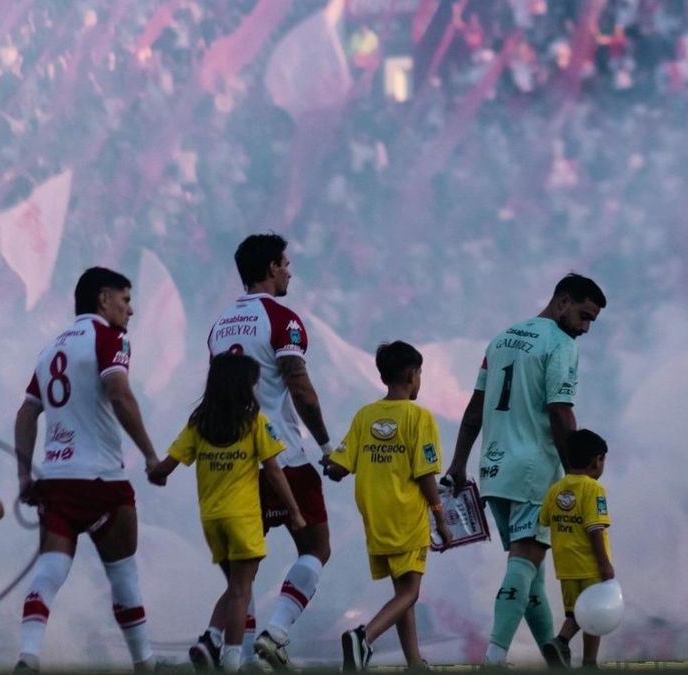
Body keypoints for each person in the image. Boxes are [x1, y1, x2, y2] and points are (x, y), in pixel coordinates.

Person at [444, 273, 607, 666]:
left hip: (493, 471)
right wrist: (575, 471)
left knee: (530, 573)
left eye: (591, 322)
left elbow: (475, 407)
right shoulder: (560, 344)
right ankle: (494, 658)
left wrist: (459, 462)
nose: (584, 328)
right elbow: (559, 410)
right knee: (524, 564)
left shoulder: (501, 339)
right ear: (562, 302)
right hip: (534, 469)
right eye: (583, 316)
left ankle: (553, 656)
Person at [13, 267, 161, 672]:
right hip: (102, 479)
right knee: (123, 573)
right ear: (103, 299)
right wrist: (149, 454)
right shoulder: (109, 337)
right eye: (126, 300)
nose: (131, 310)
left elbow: (27, 412)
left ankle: (28, 654)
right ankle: (145, 662)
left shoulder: (50, 349)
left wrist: (25, 475)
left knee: (51, 568)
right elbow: (119, 391)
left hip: (56, 480)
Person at [207, 233, 334, 669]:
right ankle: (276, 633)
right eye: (285, 263)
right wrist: (325, 443)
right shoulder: (282, 318)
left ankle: (229, 653)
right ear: (270, 269)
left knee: (244, 573)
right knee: (315, 546)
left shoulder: (220, 325)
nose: (290, 270)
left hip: (234, 462)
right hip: (283, 454)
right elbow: (299, 386)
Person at [148, 353, 306, 672]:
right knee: (241, 591)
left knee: (236, 585)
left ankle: (209, 638)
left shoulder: (199, 422)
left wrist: (155, 470)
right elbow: (274, 471)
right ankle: (231, 659)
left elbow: (167, 465)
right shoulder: (253, 422)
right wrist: (294, 511)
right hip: (243, 516)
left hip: (211, 519)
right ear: (245, 385)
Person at [322, 341, 453, 670]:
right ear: (412, 375)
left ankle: (414, 662)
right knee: (410, 592)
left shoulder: (365, 415)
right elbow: (425, 475)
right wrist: (441, 518)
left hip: (375, 517)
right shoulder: (419, 417)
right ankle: (363, 637)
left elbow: (338, 467)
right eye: (421, 373)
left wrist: (330, 466)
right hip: (406, 514)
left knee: (401, 593)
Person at [538, 429, 615, 669]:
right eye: (603, 460)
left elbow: (544, 520)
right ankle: (590, 663)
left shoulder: (556, 490)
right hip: (590, 566)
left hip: (566, 567)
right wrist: (604, 563)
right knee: (594, 615)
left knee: (575, 614)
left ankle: (560, 642)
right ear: (596, 461)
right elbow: (595, 529)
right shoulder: (594, 490)